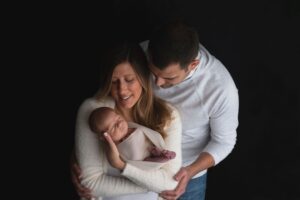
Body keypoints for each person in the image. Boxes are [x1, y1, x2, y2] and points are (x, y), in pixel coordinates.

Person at [72, 20, 239, 200]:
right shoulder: (138, 56)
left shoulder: (219, 88)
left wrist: (189, 171)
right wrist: (81, 153)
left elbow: (224, 142)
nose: (157, 83)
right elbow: (100, 110)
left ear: (192, 65)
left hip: (187, 168)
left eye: (168, 78)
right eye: (152, 73)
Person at [73, 41, 182, 200]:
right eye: (114, 81)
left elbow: (170, 184)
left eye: (129, 79)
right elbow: (91, 183)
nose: (122, 90)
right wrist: (152, 185)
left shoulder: (168, 115)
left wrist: (122, 166)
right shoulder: (93, 111)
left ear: (143, 77)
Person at [89, 106, 176, 164]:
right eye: (113, 127)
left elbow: (146, 133)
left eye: (118, 119)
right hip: (142, 161)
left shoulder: (131, 126)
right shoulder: (113, 147)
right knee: (146, 162)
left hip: (150, 147)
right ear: (104, 137)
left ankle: (161, 153)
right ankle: (162, 158)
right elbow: (121, 160)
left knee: (154, 148)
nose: (120, 124)